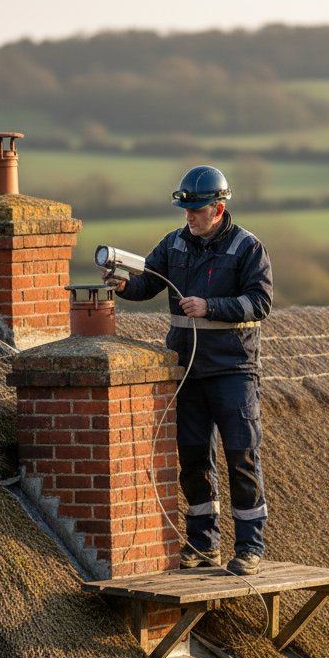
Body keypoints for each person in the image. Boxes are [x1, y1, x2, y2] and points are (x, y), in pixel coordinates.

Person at [105, 165, 274, 576]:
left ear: (217, 209)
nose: (189, 218)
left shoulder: (247, 248)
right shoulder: (174, 243)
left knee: (241, 455)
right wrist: (126, 285)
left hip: (233, 370)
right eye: (186, 210)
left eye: (197, 211)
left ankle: (250, 547)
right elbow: (149, 283)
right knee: (193, 457)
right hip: (187, 370)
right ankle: (203, 545)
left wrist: (211, 306)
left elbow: (261, 303)